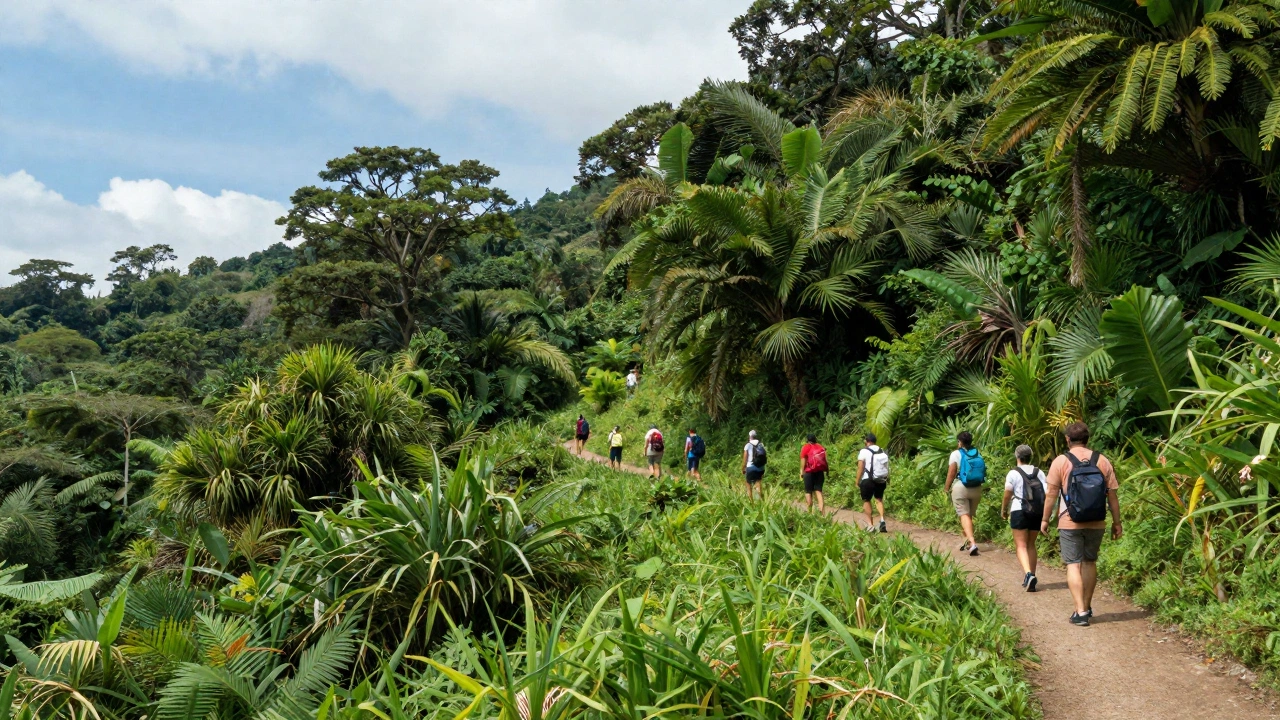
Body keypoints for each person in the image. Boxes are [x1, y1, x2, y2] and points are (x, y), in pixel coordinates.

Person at [1041, 422, 1122, 627]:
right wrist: (1117, 522)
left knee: (1073, 564)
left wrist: (1044, 519)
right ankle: (1086, 606)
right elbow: (1112, 496)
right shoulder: (1102, 460)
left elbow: (1051, 494)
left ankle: (1080, 611)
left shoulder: (1060, 461)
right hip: (1097, 521)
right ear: (1088, 439)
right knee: (1089, 562)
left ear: (1067, 439)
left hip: (1070, 521)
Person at [1002, 444, 1048, 592]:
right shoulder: (1039, 472)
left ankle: (1028, 574)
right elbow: (1047, 492)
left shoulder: (1013, 473)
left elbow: (1008, 492)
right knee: (1031, 544)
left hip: (1019, 510)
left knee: (1021, 545)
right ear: (1030, 457)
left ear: (1017, 457)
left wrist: (1004, 509)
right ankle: (1032, 574)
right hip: (1037, 511)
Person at [945, 431, 986, 556]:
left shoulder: (956, 454)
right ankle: (968, 541)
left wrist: (946, 488)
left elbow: (952, 473)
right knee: (969, 516)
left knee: (964, 515)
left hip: (961, 487)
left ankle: (972, 543)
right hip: (977, 488)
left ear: (960, 442)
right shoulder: (977, 453)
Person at [856, 433, 889, 533]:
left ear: (867, 441)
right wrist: (888, 478)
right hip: (881, 479)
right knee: (879, 499)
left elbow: (860, 467)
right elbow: (887, 466)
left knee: (866, 500)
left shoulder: (864, 451)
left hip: (868, 480)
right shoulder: (882, 451)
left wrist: (857, 481)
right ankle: (882, 520)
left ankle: (870, 525)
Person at [800, 434, 828, 513]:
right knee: (818, 491)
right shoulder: (820, 447)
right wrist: (827, 470)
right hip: (819, 472)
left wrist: (802, 471)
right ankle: (822, 513)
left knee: (808, 491)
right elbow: (825, 460)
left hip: (809, 472)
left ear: (807, 440)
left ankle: (809, 512)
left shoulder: (806, 447)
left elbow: (803, 461)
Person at [742, 430, 767, 500]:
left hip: (751, 467)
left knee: (748, 483)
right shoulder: (761, 444)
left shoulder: (748, 445)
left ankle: (751, 502)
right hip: (761, 467)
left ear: (750, 436)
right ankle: (760, 500)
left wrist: (743, 468)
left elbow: (745, 459)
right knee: (758, 481)